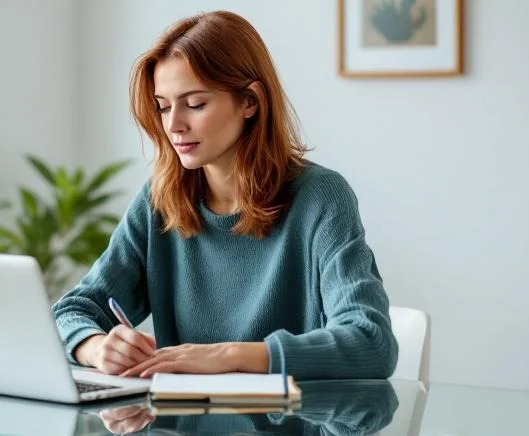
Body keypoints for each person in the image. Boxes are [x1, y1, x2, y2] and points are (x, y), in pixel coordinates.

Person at [52, 10, 398, 379]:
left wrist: (230, 356)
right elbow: (70, 311)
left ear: (250, 102)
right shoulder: (160, 200)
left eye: (195, 104)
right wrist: (96, 348)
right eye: (163, 106)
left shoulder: (321, 198)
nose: (173, 125)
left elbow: (371, 343)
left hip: (292, 428)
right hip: (182, 431)